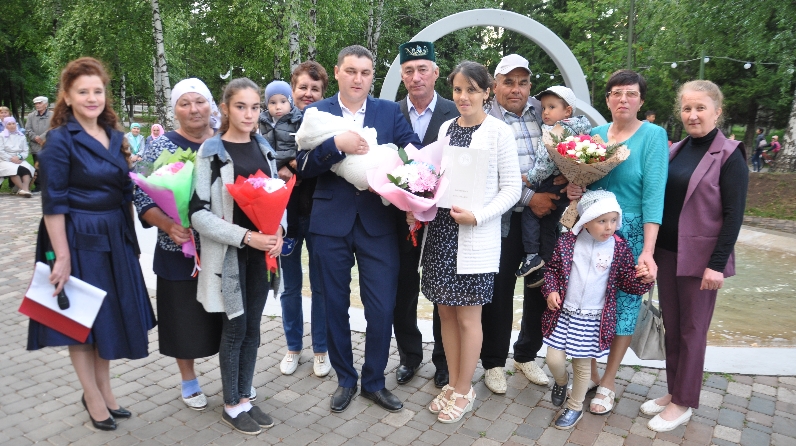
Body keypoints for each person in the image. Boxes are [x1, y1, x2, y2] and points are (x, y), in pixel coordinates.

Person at [27, 57, 156, 431]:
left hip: (114, 235)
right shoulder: (59, 141)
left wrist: (132, 240)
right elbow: (53, 203)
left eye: (97, 91)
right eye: (82, 91)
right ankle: (93, 396)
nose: (91, 98)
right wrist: (61, 257)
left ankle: (105, 391)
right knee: (81, 320)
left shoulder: (114, 135)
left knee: (107, 318)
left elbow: (124, 190)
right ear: (67, 97)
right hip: (76, 236)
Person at [296, 45, 421, 413]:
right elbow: (303, 165)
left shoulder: (389, 111)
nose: (358, 79)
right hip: (329, 223)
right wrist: (336, 145)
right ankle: (345, 380)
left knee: (381, 307)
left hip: (378, 223)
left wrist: (412, 193)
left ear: (372, 77)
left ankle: (374, 381)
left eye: (365, 73)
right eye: (351, 71)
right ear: (337, 72)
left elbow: (413, 155)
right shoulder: (318, 112)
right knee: (333, 305)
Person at [642, 80, 748, 432]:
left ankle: (684, 402)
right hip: (668, 254)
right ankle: (675, 390)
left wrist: (716, 265)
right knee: (673, 328)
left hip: (701, 261)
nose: (693, 114)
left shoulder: (730, 155)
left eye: (701, 108)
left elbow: (733, 216)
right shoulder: (677, 149)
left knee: (692, 330)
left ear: (717, 112)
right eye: (687, 108)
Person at [421, 61, 520, 423]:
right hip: (442, 233)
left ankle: (464, 388)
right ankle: (452, 383)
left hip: (474, 236)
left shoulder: (499, 132)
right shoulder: (447, 127)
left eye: (472, 90)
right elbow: (438, 178)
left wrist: (478, 216)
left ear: (487, 92)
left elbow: (512, 189)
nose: (463, 97)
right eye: (458, 90)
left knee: (468, 317)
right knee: (445, 312)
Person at [567, 69, 668, 415]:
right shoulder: (593, 137)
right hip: (592, 233)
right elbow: (586, 185)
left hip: (632, 233)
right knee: (588, 300)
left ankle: (608, 381)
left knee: (625, 306)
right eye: (616, 93)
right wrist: (575, 188)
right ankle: (591, 373)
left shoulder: (653, 136)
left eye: (631, 93)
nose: (623, 99)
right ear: (607, 99)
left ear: (641, 100)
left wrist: (648, 251)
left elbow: (654, 197)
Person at [190, 77, 282, 435]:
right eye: (241, 106)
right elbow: (198, 213)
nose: (249, 114)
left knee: (253, 327)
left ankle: (245, 397)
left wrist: (279, 233)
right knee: (236, 327)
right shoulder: (211, 152)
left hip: (262, 255)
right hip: (230, 256)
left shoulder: (264, 147)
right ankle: (231, 404)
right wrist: (245, 236)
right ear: (225, 108)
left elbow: (277, 196)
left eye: (255, 107)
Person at [134, 78, 225, 411]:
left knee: (229, 318)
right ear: (175, 111)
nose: (193, 109)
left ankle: (234, 378)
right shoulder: (159, 146)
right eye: (184, 103)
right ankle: (189, 380)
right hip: (179, 249)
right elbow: (140, 191)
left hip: (223, 247)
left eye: (199, 101)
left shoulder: (225, 140)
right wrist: (169, 225)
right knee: (181, 318)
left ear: (210, 105)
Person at [542, 190, 653, 429]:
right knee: (553, 359)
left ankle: (575, 407)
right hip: (564, 313)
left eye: (613, 220)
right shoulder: (567, 242)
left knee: (582, 366)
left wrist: (643, 280)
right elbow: (551, 270)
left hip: (592, 319)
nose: (609, 227)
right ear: (586, 221)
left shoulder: (618, 247)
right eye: (602, 221)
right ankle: (561, 381)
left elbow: (627, 281)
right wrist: (551, 291)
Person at [481, 54, 554, 394]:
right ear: (495, 85)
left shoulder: (544, 111)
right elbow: (487, 174)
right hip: (505, 220)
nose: (516, 89)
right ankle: (494, 363)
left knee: (540, 288)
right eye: (508, 82)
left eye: (522, 82)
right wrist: (529, 196)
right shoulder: (485, 119)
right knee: (499, 293)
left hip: (544, 218)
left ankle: (526, 355)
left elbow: (563, 153)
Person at [393, 40, 458, 388]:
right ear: (402, 76)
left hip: (445, 219)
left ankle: (444, 360)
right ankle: (409, 356)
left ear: (435, 73)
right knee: (403, 288)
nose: (416, 77)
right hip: (401, 220)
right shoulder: (390, 113)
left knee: (442, 290)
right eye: (409, 71)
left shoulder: (456, 111)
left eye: (422, 69)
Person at [275, 62, 332, 380]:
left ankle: (321, 349)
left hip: (320, 214)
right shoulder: (276, 122)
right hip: (286, 217)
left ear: (323, 93)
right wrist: (283, 165)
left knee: (321, 286)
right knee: (290, 286)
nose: (308, 93)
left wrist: (298, 162)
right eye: (303, 88)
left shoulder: (328, 123)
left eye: (315, 89)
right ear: (292, 89)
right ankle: (293, 347)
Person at [517, 85, 589, 279]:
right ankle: (548, 264)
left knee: (530, 215)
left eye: (551, 107)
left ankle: (532, 256)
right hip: (565, 186)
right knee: (549, 225)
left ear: (567, 111)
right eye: (543, 108)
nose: (545, 112)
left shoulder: (555, 130)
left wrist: (530, 178)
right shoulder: (579, 128)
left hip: (551, 183)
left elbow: (545, 162)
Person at [259, 80, 302, 256]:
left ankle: (290, 234)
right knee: (273, 204)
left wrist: (295, 163)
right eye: (273, 102)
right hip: (270, 170)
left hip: (290, 167)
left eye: (283, 101)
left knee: (291, 204)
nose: (278, 107)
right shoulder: (262, 121)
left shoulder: (297, 119)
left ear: (290, 102)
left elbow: (304, 142)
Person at [1, 117, 36, 196]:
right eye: (9, 124)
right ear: (5, 125)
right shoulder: (1, 136)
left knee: (26, 169)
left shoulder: (21, 136)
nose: (12, 126)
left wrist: (20, 157)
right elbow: (1, 151)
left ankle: (25, 190)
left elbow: (25, 150)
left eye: (13, 123)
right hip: (5, 160)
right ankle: (24, 190)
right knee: (13, 170)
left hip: (19, 158)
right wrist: (11, 159)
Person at [25, 96, 52, 190]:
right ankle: (39, 185)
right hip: (35, 145)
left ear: (46, 104)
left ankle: (49, 185)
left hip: (48, 144)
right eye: (36, 103)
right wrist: (35, 137)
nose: (37, 105)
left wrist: (41, 138)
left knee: (49, 165)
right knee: (37, 166)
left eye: (40, 103)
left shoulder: (52, 115)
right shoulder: (31, 116)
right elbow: (28, 129)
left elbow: (54, 127)